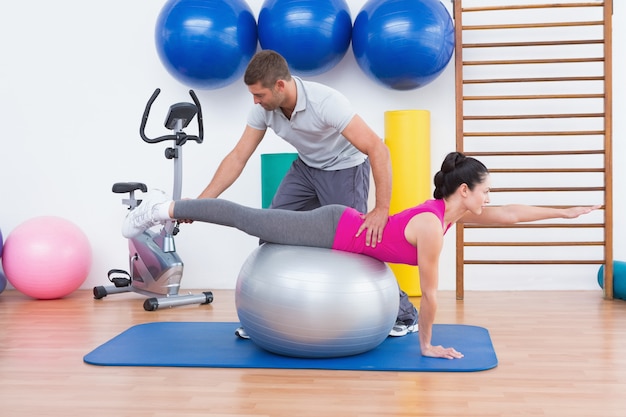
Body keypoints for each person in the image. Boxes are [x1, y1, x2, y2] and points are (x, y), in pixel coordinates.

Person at [122, 152, 599, 359]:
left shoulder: (450, 213)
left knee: (254, 223)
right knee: (249, 219)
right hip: (333, 228)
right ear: (464, 190)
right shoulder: (433, 225)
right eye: (486, 191)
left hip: (342, 234)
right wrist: (427, 345)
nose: (490, 200)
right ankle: (161, 208)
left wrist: (565, 211)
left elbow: (511, 215)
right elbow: (429, 296)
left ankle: (165, 208)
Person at [195, 49, 417, 336]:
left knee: (357, 245)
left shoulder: (326, 102)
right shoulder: (264, 108)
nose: (255, 101)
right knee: (271, 228)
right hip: (306, 170)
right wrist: (202, 202)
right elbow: (238, 156)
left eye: (259, 95)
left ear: (280, 86)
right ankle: (266, 318)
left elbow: (378, 148)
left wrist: (381, 209)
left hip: (344, 169)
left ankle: (404, 315)